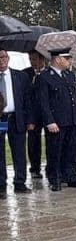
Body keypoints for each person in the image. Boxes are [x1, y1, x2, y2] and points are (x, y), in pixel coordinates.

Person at [35, 48, 76, 191]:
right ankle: (55, 178)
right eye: (67, 58)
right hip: (57, 121)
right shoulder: (45, 77)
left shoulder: (69, 75)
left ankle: (70, 175)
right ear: (57, 59)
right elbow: (43, 102)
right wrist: (49, 121)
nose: (70, 61)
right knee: (55, 150)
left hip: (73, 119)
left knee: (73, 149)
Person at [0, 49, 33, 196]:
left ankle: (20, 182)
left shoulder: (21, 76)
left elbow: (28, 100)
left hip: (16, 117)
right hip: (1, 117)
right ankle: (1, 184)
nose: (1, 60)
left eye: (3, 57)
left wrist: (30, 120)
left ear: (8, 58)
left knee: (19, 151)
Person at [23, 50, 47, 180]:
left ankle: (51, 167)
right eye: (31, 59)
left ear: (42, 59)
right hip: (33, 113)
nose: (33, 62)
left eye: (35, 59)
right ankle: (35, 167)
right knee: (33, 141)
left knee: (51, 141)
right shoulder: (25, 73)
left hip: (47, 113)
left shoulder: (49, 72)